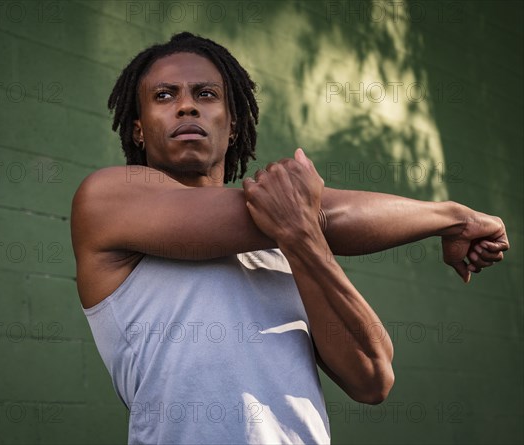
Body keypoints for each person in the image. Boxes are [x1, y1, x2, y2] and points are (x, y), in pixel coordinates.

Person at [70, 32, 509, 444]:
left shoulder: (285, 241)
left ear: (234, 126)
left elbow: (373, 378)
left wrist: (302, 242)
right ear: (138, 129)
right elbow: (327, 214)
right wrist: (453, 216)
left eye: (206, 94)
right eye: (164, 96)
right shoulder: (108, 198)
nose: (187, 107)